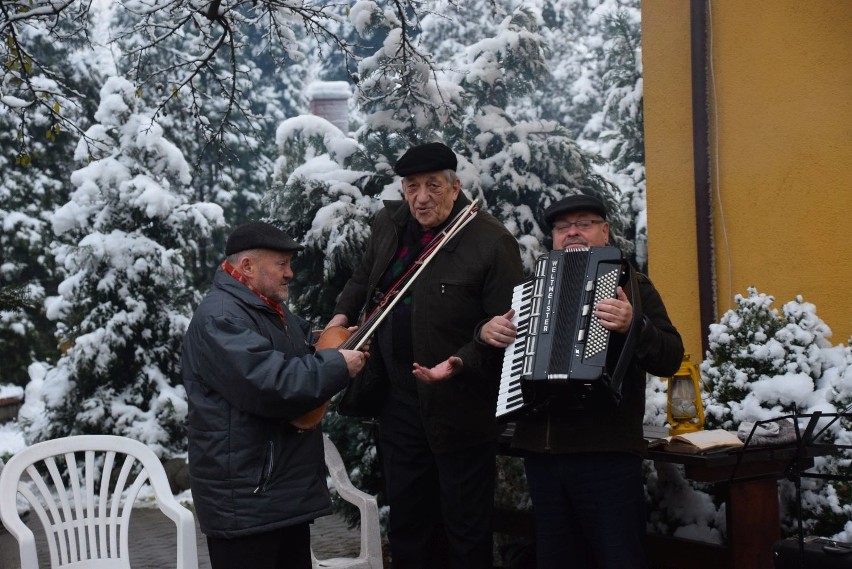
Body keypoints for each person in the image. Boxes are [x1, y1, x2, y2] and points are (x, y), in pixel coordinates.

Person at [327, 142, 524, 569]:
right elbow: (365, 276)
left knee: (465, 529)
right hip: (399, 402)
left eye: (433, 186)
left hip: (462, 408)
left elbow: (508, 325)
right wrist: (340, 316)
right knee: (410, 525)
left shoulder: (491, 241)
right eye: (412, 187)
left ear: (455, 188)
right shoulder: (389, 223)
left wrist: (460, 361)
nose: (421, 197)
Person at [481, 193, 684, 569]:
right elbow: (505, 357)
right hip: (543, 454)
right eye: (562, 227)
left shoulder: (634, 285)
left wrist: (634, 326)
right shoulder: (531, 290)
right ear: (553, 237)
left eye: (584, 224)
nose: (572, 232)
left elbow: (671, 356)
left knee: (619, 558)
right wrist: (487, 332)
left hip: (604, 453)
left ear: (605, 232)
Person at [181, 222, 367, 569]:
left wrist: (334, 343)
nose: (290, 274)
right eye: (281, 264)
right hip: (248, 504)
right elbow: (274, 385)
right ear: (248, 266)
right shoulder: (221, 318)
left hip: (278, 496)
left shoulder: (265, 308)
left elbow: (301, 352)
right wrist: (338, 365)